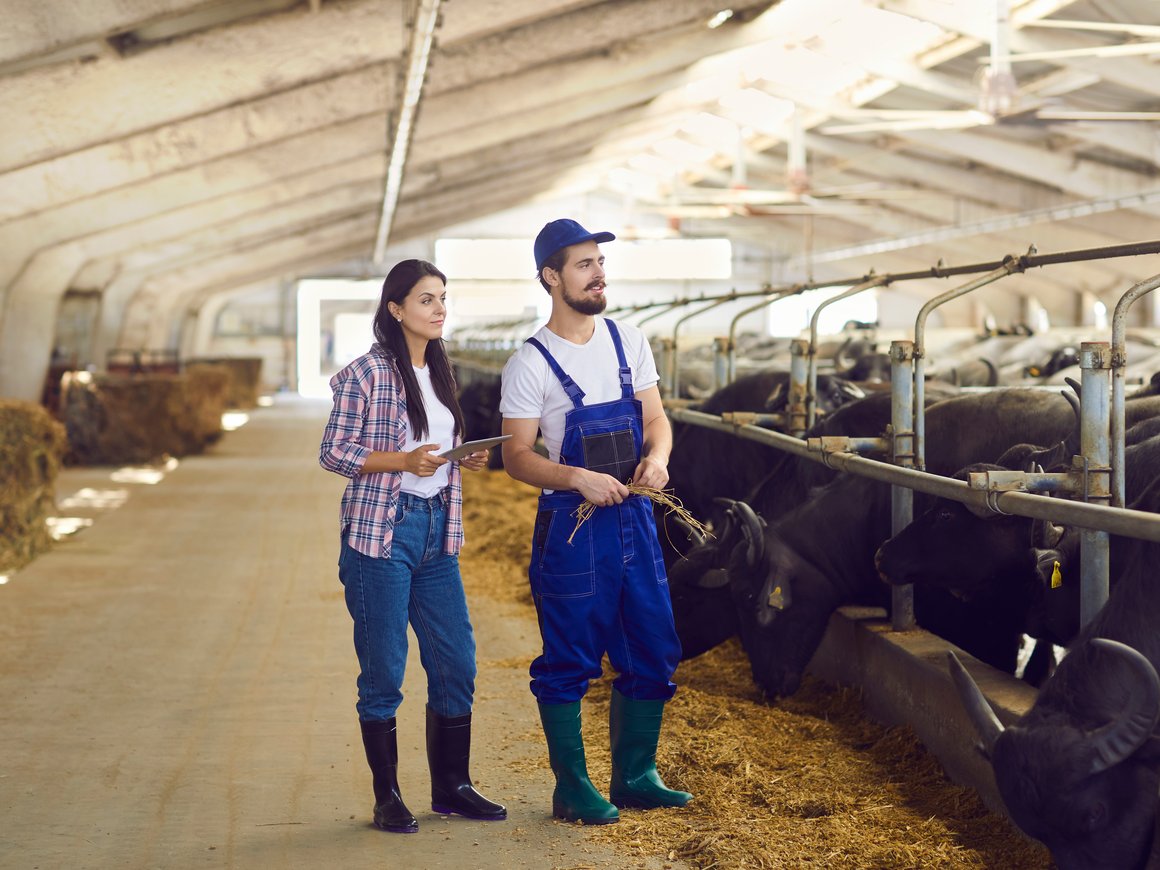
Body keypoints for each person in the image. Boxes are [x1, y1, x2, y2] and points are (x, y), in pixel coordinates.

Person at [499, 219, 693, 825]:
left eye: (600, 263)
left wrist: (657, 459)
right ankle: (573, 787)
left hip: (635, 518)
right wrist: (577, 477)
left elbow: (657, 420)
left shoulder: (626, 340)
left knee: (653, 647)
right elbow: (516, 456)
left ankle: (635, 776)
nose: (598, 273)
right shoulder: (529, 364)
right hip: (575, 526)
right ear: (550, 278)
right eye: (583, 265)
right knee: (570, 658)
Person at [319, 259, 506, 834]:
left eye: (443, 298)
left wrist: (463, 457)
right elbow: (334, 451)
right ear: (396, 309)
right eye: (427, 300)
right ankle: (388, 796)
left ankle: (453, 787)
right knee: (384, 670)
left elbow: (436, 447)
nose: (439, 308)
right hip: (382, 533)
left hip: (437, 531)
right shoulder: (367, 374)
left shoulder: (441, 371)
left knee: (456, 661)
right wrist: (401, 462)